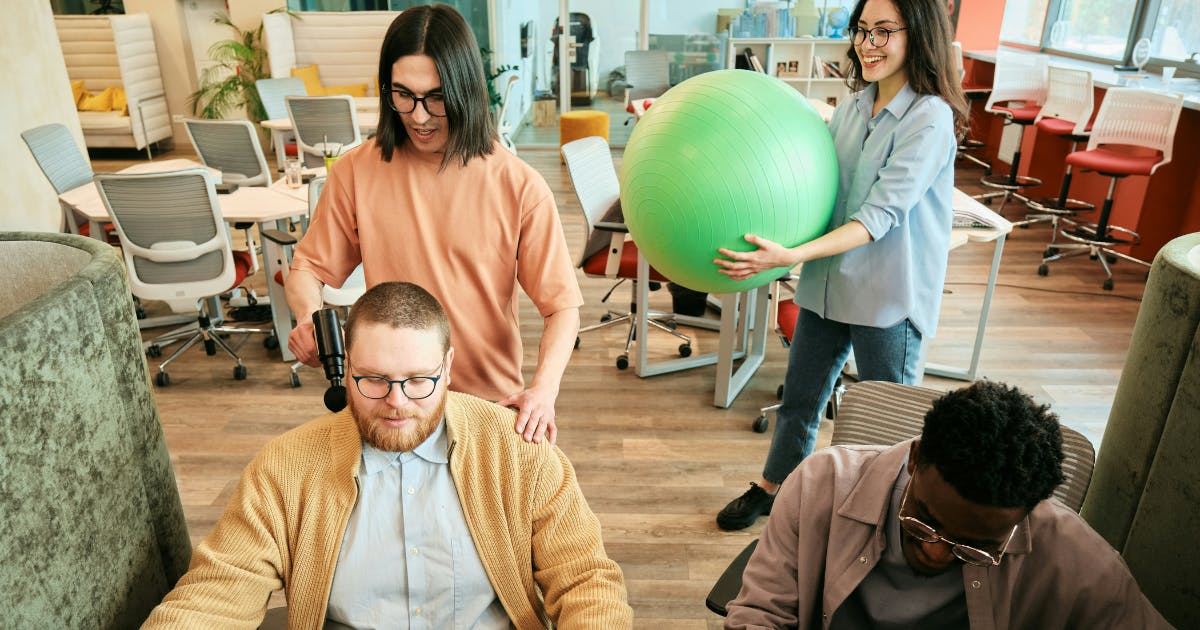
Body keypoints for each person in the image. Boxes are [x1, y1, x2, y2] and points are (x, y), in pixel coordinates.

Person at [143, 282, 632, 628]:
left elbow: (585, 580)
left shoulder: (520, 453)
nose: (397, 402)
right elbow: (217, 591)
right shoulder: (283, 469)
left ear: (448, 366)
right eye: (373, 379)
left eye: (419, 380)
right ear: (346, 366)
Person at [713, 0, 968, 530]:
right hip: (829, 285)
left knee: (889, 429)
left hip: (887, 297)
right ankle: (775, 486)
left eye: (883, 31)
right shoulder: (856, 106)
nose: (867, 43)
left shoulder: (930, 118)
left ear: (917, 34)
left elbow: (880, 215)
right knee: (801, 402)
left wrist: (791, 256)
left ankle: (884, 521)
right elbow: (816, 179)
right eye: (861, 30)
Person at [286, 5, 581, 446]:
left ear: (466, 90)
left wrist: (544, 390)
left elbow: (562, 308)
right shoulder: (356, 172)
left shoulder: (519, 185)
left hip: (490, 406)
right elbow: (308, 269)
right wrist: (311, 320)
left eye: (437, 97)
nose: (419, 116)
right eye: (403, 95)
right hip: (392, 404)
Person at [724, 381, 1170, 628]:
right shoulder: (821, 483)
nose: (937, 552)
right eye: (922, 523)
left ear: (1028, 512)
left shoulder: (1076, 559)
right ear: (915, 458)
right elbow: (760, 614)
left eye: (972, 548)